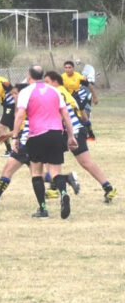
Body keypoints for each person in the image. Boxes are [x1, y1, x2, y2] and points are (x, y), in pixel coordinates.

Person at [12, 65, 78, 219]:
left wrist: (15, 137)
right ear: (41, 76)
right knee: (55, 172)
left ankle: (43, 209)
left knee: (36, 172)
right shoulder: (54, 90)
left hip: (36, 135)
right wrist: (71, 136)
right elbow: (65, 115)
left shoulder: (26, 92)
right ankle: (63, 193)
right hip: (56, 134)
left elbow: (20, 115)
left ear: (29, 76)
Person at [43, 71, 116, 204]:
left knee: (83, 162)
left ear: (55, 82)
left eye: (47, 82)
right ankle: (108, 187)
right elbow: (75, 107)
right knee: (54, 156)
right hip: (72, 129)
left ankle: (55, 187)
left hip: (73, 131)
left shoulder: (57, 92)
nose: (45, 85)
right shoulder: (62, 91)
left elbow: (61, 113)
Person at [62, 60, 98, 140]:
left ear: (73, 68)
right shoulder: (62, 77)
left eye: (69, 67)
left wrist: (95, 97)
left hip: (77, 97)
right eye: (66, 68)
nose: (67, 69)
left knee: (83, 116)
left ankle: (90, 133)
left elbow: (90, 86)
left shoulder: (79, 77)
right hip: (67, 98)